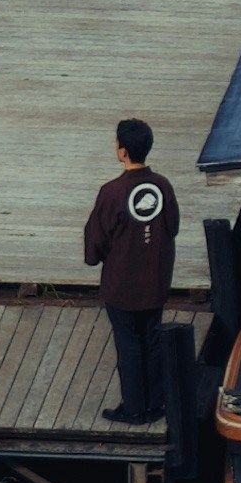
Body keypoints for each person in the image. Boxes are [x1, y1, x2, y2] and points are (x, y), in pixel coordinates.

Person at [85, 115, 185, 435]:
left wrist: (96, 257)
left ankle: (134, 408)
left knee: (128, 344)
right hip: (155, 281)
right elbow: (173, 227)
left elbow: (96, 239)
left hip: (122, 285)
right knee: (151, 339)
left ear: (123, 151)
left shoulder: (112, 192)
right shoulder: (163, 186)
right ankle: (155, 403)